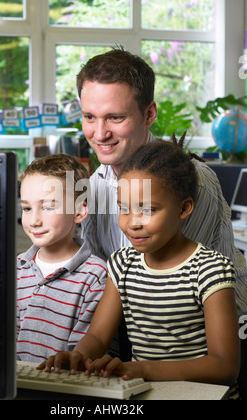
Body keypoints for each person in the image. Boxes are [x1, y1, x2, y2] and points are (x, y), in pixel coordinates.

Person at [41, 140, 240, 397]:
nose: (133, 223)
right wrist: (78, 356)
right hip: (146, 392)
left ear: (184, 208)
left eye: (147, 210)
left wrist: (142, 369)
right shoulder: (122, 265)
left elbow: (224, 366)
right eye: (123, 209)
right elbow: (99, 337)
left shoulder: (211, 271)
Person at [78, 47, 247, 316]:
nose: (99, 133)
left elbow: (171, 294)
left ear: (149, 114)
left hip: (205, 331)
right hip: (136, 330)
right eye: (89, 117)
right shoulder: (94, 184)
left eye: (115, 117)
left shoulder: (189, 180)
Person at [16, 154, 107, 363]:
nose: (34, 220)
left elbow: (84, 355)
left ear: (79, 211)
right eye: (27, 208)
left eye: (47, 207)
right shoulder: (17, 268)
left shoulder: (96, 276)